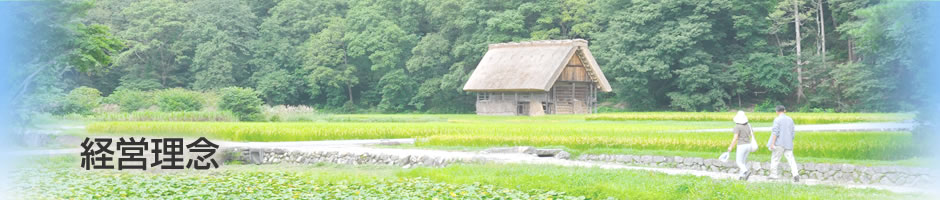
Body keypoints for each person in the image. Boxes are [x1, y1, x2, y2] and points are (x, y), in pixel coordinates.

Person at [767, 105, 800, 182]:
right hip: (788, 143)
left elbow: (775, 132)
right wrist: (789, 140)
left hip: (779, 143)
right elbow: (792, 132)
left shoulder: (777, 120)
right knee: (791, 159)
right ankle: (795, 174)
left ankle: (774, 175)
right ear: (784, 110)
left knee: (775, 159)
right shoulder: (790, 119)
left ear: (777, 111)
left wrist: (772, 143)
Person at [727, 111, 754, 180]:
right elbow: (751, 134)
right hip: (748, 145)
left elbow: (735, 138)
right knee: (743, 161)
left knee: (738, 161)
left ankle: (746, 171)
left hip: (741, 145)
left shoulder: (737, 127)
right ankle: (741, 176)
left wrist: (731, 147)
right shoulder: (749, 125)